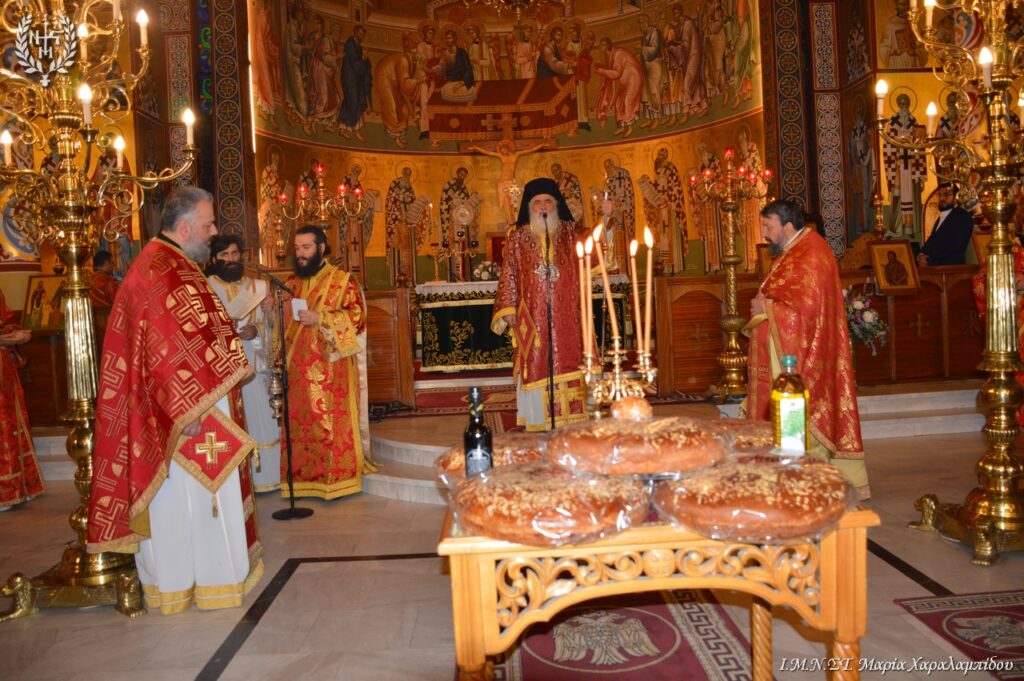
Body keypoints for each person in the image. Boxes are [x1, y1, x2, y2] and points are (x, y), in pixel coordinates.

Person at [87, 187, 263, 614]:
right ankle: (198, 581)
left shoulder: (168, 263)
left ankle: (191, 582)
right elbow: (165, 353)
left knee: (190, 500)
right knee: (187, 500)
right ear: (184, 227)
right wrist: (187, 411)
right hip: (184, 416)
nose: (214, 232)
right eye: (208, 224)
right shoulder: (162, 270)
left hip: (187, 408)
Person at [744, 199, 870, 500]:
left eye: (769, 227)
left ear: (788, 226)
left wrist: (767, 307)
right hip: (787, 349)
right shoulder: (794, 249)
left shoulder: (812, 252)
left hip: (806, 354)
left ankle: (804, 473)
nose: (765, 233)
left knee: (798, 405)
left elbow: (807, 308)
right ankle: (783, 468)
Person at [282, 225, 375, 499]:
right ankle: (302, 478)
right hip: (297, 370)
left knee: (328, 427)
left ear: (321, 248)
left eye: (306, 247)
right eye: (297, 248)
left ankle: (337, 478)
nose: (300, 253)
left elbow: (357, 317)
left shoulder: (342, 281)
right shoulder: (291, 283)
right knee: (300, 427)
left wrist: (321, 318)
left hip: (331, 369)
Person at [492, 178, 586, 431]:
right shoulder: (518, 237)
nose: (543, 206)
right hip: (532, 315)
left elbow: (596, 249)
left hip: (568, 313)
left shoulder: (571, 232)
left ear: (556, 205)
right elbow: (509, 274)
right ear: (529, 207)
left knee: (570, 358)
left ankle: (572, 421)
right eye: (537, 202)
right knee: (535, 361)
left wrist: (607, 220)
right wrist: (508, 309)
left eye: (548, 201)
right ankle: (538, 420)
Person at [206, 235, 282, 493]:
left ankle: (266, 478)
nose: (230, 259)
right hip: (222, 365)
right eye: (224, 255)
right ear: (214, 258)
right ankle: (236, 485)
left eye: (234, 253)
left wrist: (259, 327)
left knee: (261, 416)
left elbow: (272, 327)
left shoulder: (258, 287)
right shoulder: (206, 287)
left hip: (254, 361)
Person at [0, 290, 44, 512]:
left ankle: (16, 487)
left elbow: (7, 320)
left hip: (4, 372)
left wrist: (14, 333)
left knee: (9, 423)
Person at [918, 182, 974, 266]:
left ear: (956, 197)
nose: (942, 198)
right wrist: (921, 255)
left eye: (946, 195)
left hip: (952, 268)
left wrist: (928, 260)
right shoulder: (941, 217)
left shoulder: (962, 217)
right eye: (939, 195)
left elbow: (954, 246)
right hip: (936, 267)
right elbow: (933, 241)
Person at [338, 25, 372, 141]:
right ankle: (345, 129)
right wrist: (364, 58)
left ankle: (354, 130)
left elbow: (362, 65)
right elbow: (355, 63)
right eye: (360, 33)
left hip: (356, 81)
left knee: (357, 102)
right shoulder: (350, 44)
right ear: (355, 32)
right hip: (350, 80)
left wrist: (365, 59)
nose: (361, 36)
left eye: (363, 35)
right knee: (352, 102)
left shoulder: (358, 46)